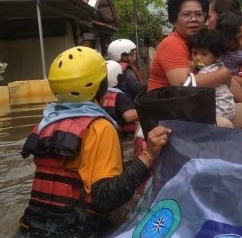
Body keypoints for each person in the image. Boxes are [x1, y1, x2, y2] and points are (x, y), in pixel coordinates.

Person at [17, 46, 170, 237]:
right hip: (80, 230)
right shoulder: (100, 127)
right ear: (102, 85)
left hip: (29, 227)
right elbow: (106, 199)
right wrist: (149, 154)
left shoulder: (45, 123)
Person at [148, 0, 242, 130]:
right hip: (169, 112)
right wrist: (223, 74)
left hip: (194, 107)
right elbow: (183, 84)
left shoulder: (203, 42)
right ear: (174, 19)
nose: (194, 19)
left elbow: (229, 80)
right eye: (187, 14)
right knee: (224, 125)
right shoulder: (172, 43)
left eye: (199, 14)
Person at [101, 60, 138, 138]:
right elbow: (128, 116)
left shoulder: (100, 96)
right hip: (122, 138)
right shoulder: (119, 96)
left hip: (108, 135)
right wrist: (145, 110)